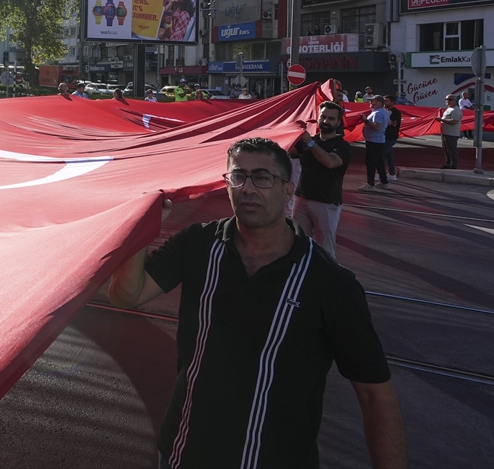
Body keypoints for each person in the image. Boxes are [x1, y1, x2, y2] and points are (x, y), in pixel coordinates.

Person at [109, 137, 406, 469]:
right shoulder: (196, 244)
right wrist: (143, 228)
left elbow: (374, 395)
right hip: (183, 451)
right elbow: (127, 295)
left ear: (288, 190)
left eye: (263, 177)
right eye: (238, 176)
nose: (247, 188)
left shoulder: (330, 282)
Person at [289, 101, 353, 258]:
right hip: (302, 199)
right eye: (323, 117)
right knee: (299, 243)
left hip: (326, 203)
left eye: (331, 118)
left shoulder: (342, 145)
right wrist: (291, 129)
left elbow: (330, 162)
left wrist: (309, 142)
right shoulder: (310, 140)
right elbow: (290, 151)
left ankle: (327, 273)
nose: (325, 121)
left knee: (325, 250)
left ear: (338, 122)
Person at [359, 95, 390, 191]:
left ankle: (370, 184)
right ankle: (384, 181)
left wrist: (366, 121)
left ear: (379, 103)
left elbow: (377, 127)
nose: (370, 103)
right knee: (378, 162)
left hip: (374, 141)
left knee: (371, 162)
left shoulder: (378, 113)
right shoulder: (383, 112)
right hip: (378, 140)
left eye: (373, 101)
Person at [437, 94, 462, 169]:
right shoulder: (449, 109)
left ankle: (453, 165)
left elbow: (454, 122)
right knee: (446, 150)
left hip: (452, 134)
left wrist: (441, 120)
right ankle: (448, 164)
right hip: (445, 133)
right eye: (447, 99)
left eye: (450, 99)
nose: (448, 101)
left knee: (452, 150)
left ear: (455, 100)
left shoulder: (456, 110)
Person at [383, 97, 401, 181]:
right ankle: (392, 173)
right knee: (388, 155)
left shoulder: (396, 112)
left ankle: (380, 173)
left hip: (390, 137)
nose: (385, 103)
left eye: (387, 101)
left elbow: (394, 124)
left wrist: (386, 119)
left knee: (381, 155)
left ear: (392, 102)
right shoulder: (385, 111)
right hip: (385, 136)